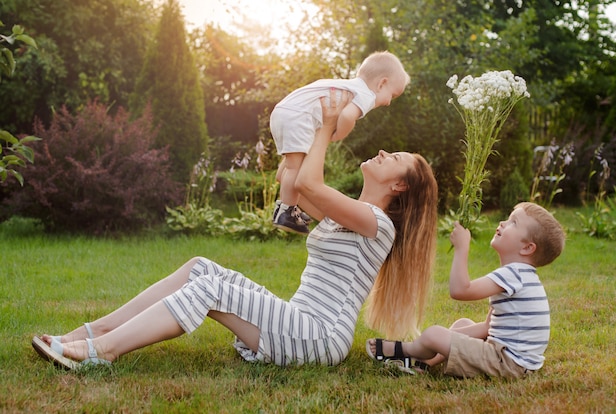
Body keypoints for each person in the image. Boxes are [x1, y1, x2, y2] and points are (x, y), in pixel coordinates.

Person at [32, 90, 438, 371]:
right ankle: (94, 331)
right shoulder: (350, 212)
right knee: (200, 268)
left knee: (211, 290)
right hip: (299, 320)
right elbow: (292, 180)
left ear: (400, 185)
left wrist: (327, 127)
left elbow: (310, 185)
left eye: (395, 157)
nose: (384, 152)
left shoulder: (377, 224)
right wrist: (302, 120)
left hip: (318, 337)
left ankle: (101, 351)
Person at [367, 202, 565, 378]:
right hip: (514, 360)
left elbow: (460, 290)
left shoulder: (514, 274)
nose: (503, 222)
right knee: (462, 324)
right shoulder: (522, 276)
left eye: (514, 222)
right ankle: (425, 363)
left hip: (507, 362)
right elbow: (488, 328)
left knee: (434, 334)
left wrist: (462, 249)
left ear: (527, 248)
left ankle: (406, 350)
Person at [270, 51, 411, 234]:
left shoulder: (346, 86)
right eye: (392, 95)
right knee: (294, 167)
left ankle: (287, 207)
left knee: (292, 167)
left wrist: (322, 132)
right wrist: (334, 134)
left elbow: (283, 175)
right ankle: (286, 210)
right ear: (381, 83)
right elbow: (346, 116)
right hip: (299, 116)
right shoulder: (366, 95)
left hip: (286, 110)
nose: (389, 102)